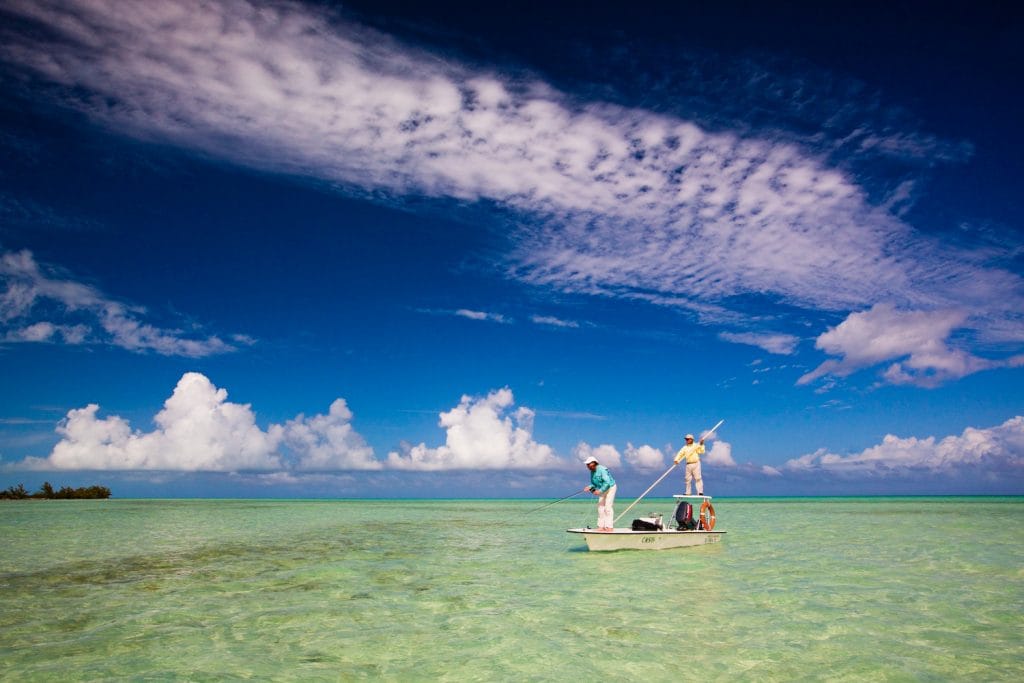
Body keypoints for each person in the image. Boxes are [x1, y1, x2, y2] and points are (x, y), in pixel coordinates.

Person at [583, 456, 617, 531]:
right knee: (600, 508)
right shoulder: (592, 471)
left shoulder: (602, 469)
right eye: (587, 464)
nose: (588, 466)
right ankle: (601, 526)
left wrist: (600, 491)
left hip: (611, 487)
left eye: (589, 464)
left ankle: (609, 527)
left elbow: (607, 482)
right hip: (603, 488)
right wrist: (589, 487)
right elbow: (593, 483)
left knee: (608, 507)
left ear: (594, 463)